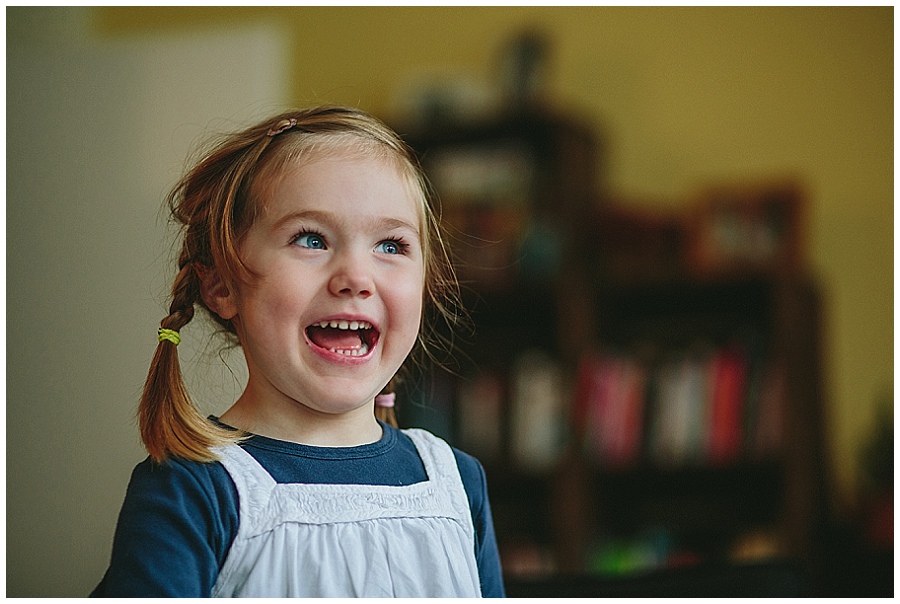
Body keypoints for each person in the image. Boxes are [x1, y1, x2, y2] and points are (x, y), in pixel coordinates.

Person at [91, 106, 505, 597]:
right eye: (311, 239)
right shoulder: (192, 490)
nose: (356, 277)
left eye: (391, 246)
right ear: (222, 283)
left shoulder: (458, 482)